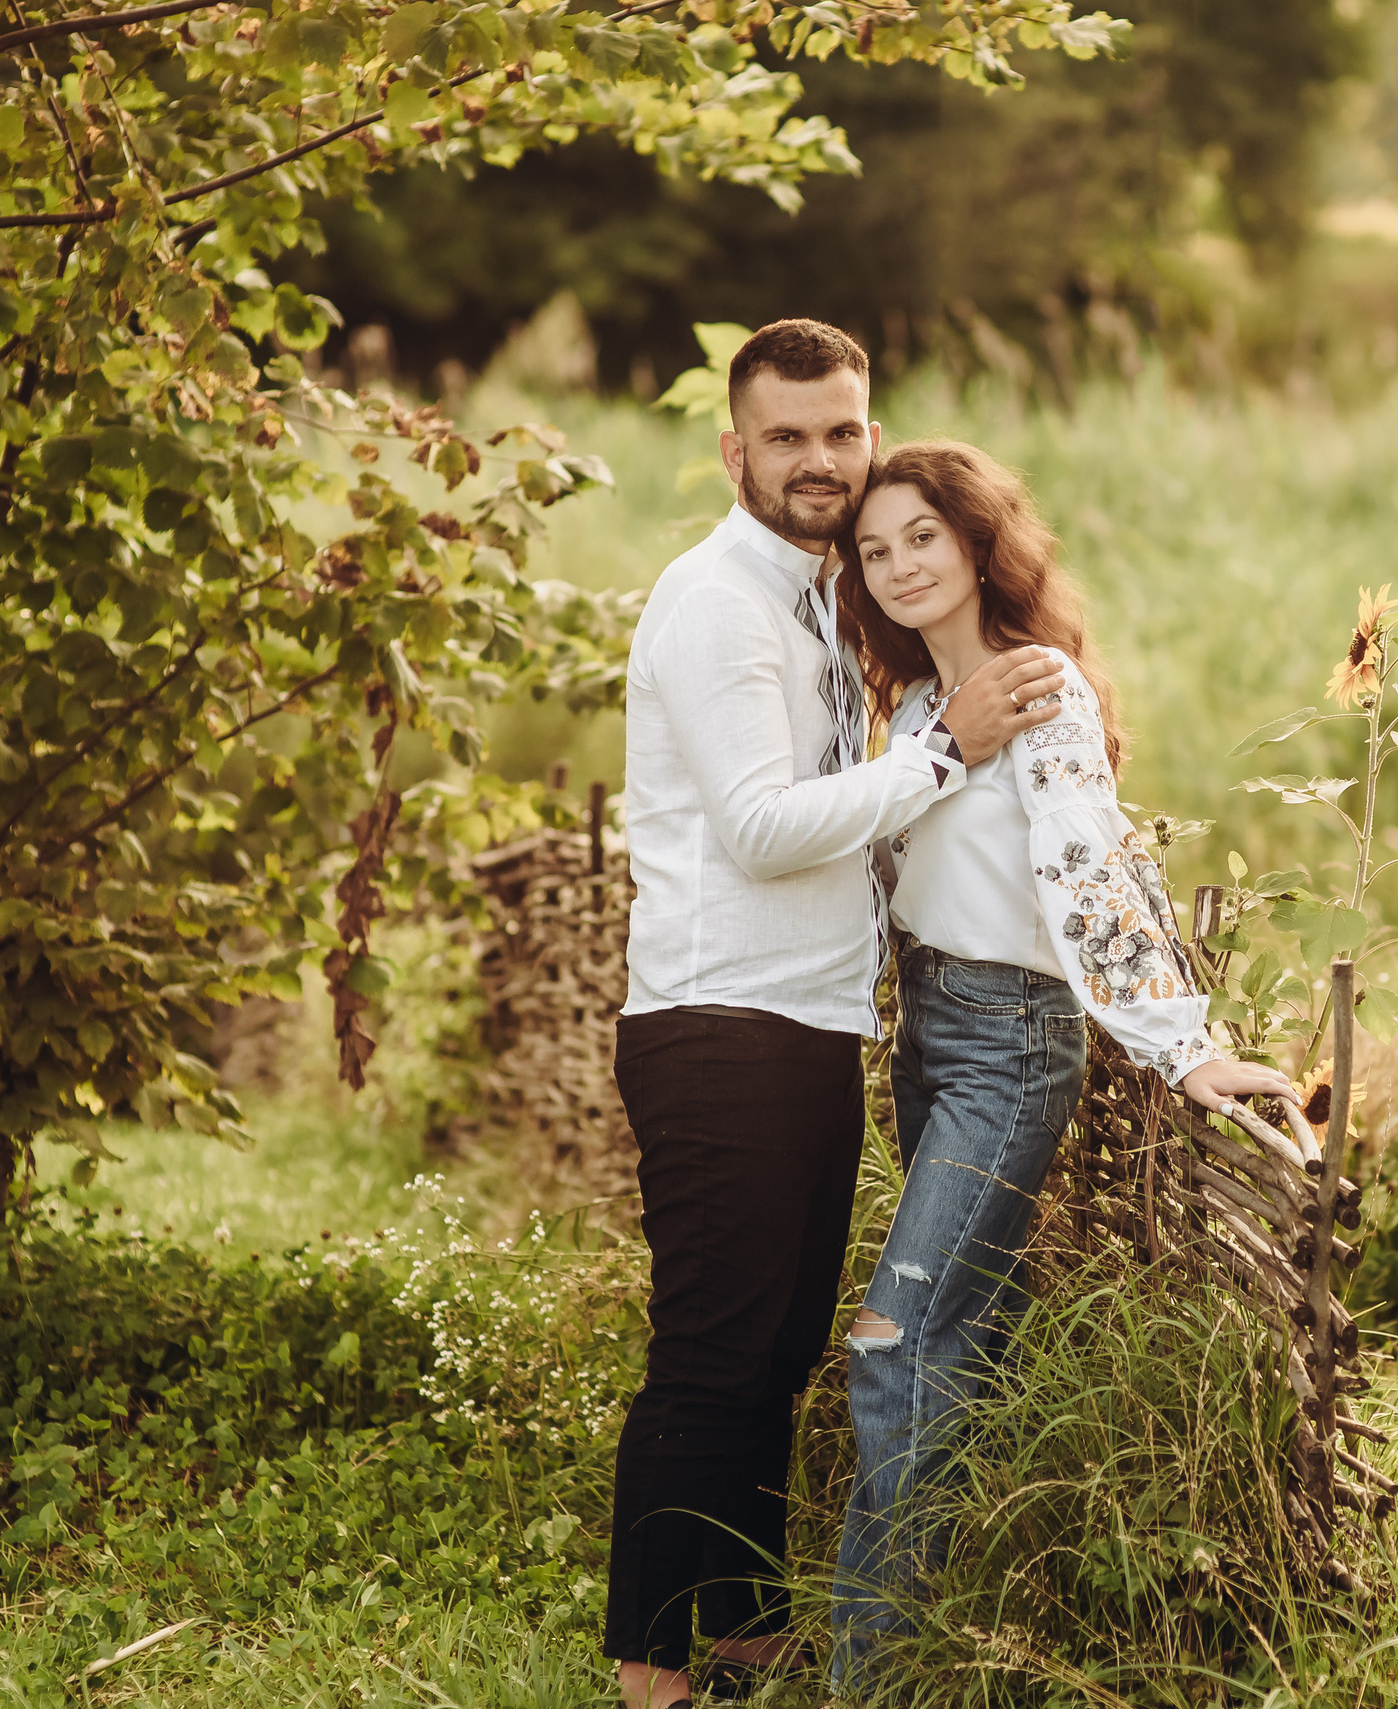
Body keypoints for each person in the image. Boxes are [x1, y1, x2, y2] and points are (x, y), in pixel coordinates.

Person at [606, 325, 1066, 1709]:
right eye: (789, 437)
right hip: (715, 1018)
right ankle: (652, 1673)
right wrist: (945, 749)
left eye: (843, 432)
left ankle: (743, 1635)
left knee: (779, 1347)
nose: (821, 460)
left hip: (806, 1023)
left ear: (870, 435)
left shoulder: (822, 592)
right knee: (709, 1353)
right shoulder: (717, 603)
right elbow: (754, 827)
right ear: (733, 449)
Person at [828, 441, 1296, 1682]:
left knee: (894, 1343)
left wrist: (1180, 1044)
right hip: (932, 1029)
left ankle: (863, 1674)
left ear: (979, 541)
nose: (898, 564)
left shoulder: (1036, 688)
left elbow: (1090, 862)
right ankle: (964, 1637)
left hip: (1008, 1041)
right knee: (957, 1348)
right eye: (874, 550)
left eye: (921, 534)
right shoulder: (923, 708)